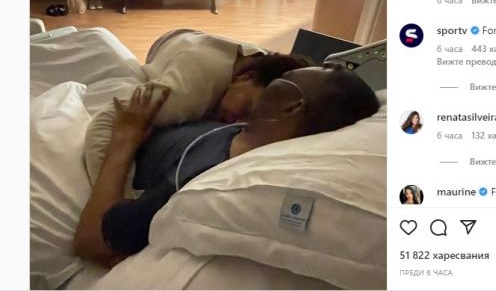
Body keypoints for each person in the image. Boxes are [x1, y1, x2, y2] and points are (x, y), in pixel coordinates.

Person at [74, 65, 380, 267]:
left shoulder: (198, 178)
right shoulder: (241, 133)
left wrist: (123, 141)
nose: (271, 83)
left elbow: (91, 240)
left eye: (284, 79)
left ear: (291, 106)